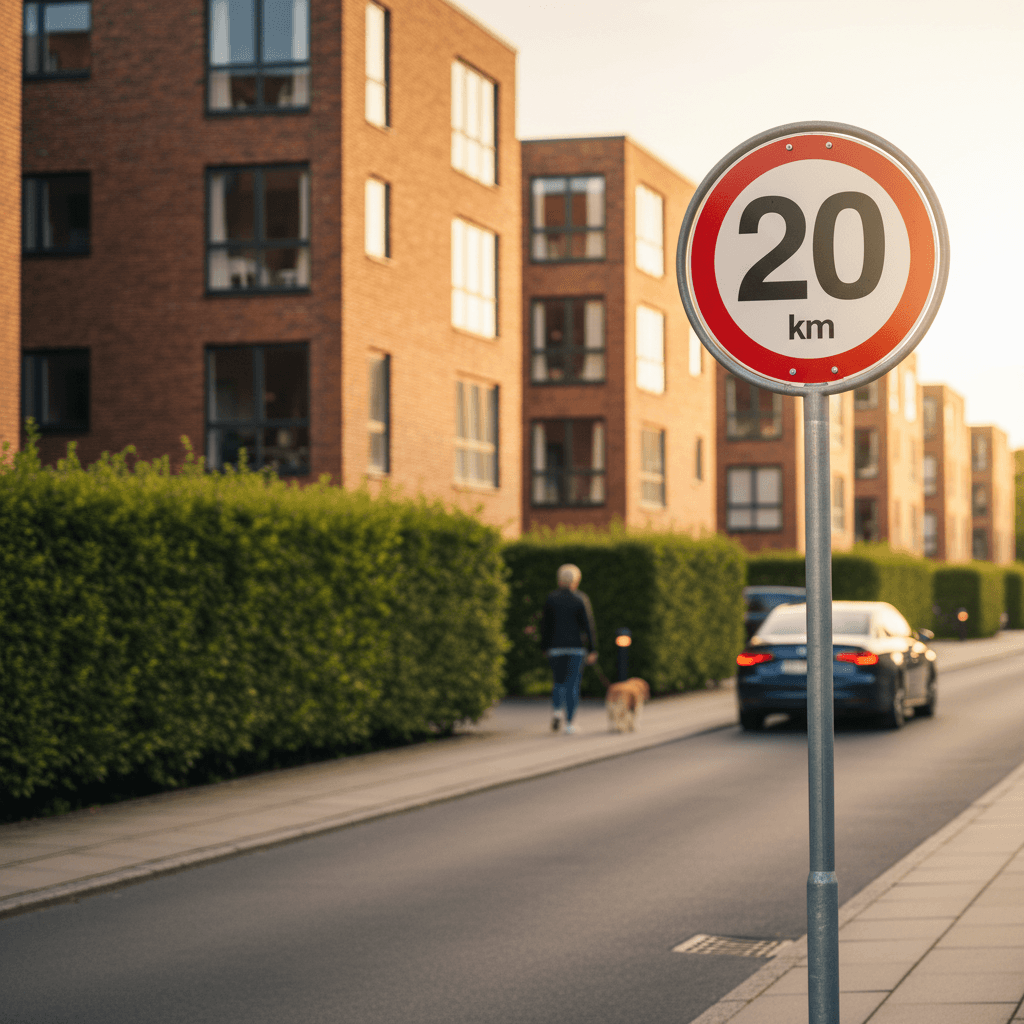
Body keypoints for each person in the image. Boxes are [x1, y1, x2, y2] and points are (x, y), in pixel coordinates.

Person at [540, 563, 598, 734]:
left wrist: (544, 646)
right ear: (576, 581)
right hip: (575, 648)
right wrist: (592, 649)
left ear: (559, 580)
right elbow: (588, 626)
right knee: (572, 685)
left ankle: (557, 711)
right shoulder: (580, 599)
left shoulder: (551, 599)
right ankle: (570, 723)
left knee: (558, 682)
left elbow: (545, 626)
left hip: (555, 648)